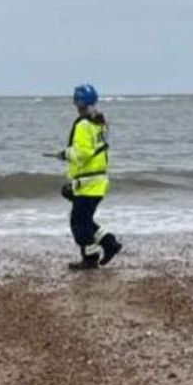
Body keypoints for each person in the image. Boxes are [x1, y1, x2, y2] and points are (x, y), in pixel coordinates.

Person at [53, 84, 122, 270]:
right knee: (84, 220)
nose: (74, 104)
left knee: (78, 223)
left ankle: (93, 257)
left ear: (79, 102)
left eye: (75, 100)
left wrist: (66, 154)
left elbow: (82, 154)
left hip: (88, 182)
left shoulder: (83, 125)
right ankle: (108, 244)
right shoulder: (100, 122)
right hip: (98, 181)